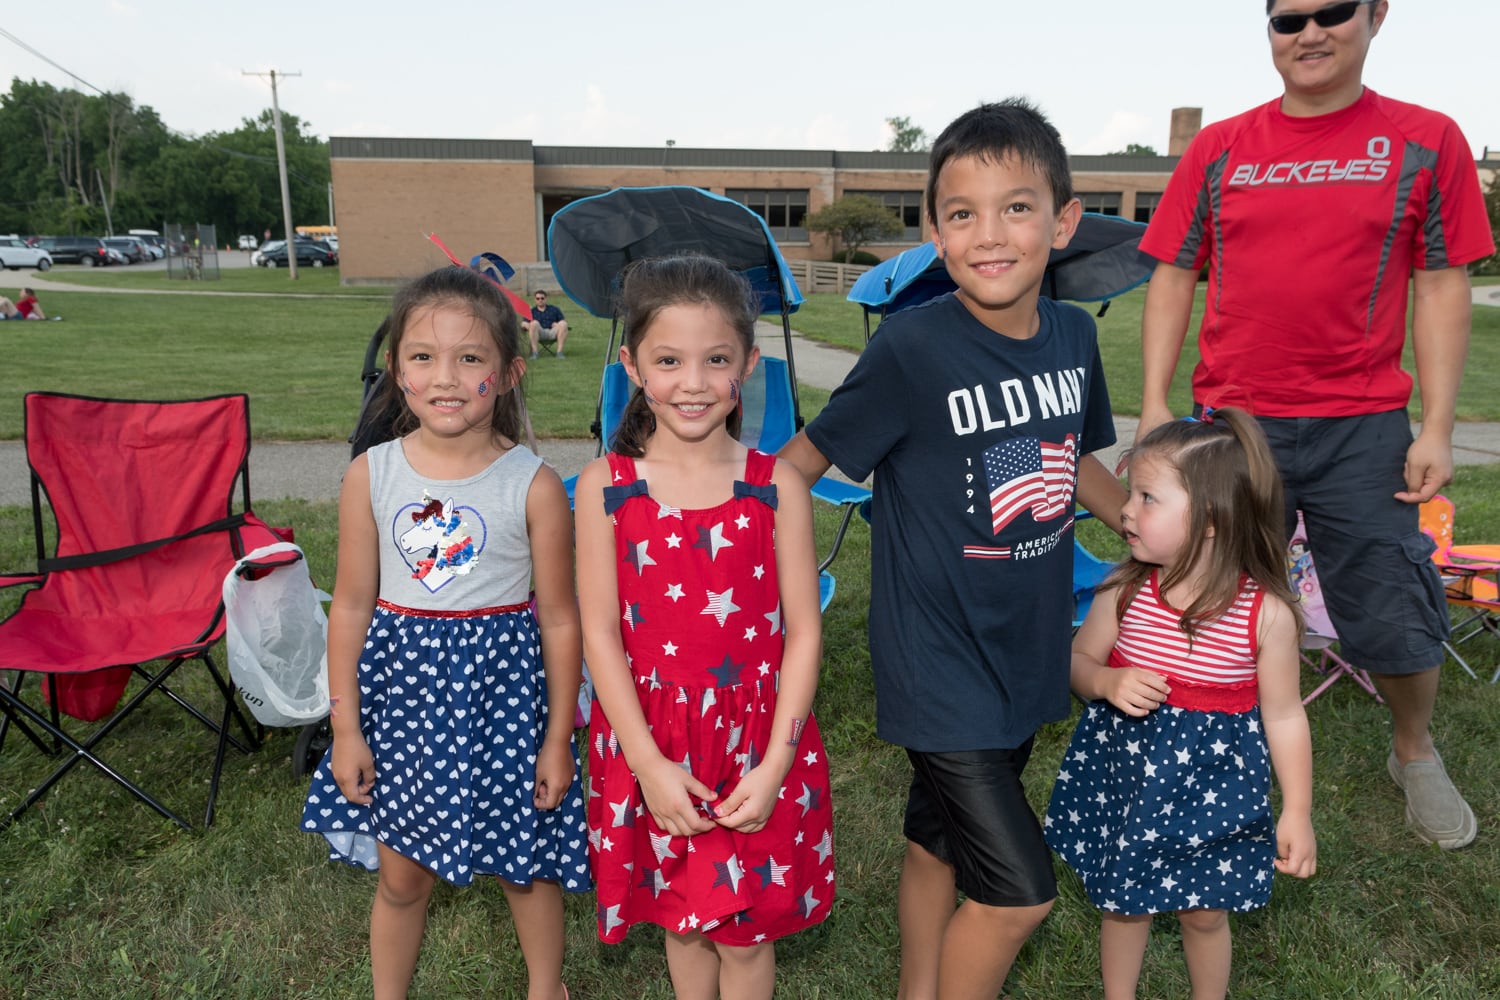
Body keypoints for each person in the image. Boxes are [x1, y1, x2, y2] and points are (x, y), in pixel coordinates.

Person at [779, 99, 1128, 1000]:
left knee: (936, 834)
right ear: (934, 231)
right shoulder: (915, 347)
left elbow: (1072, 456)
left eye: (1016, 207)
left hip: (1026, 643)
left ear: (1062, 221)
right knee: (1018, 894)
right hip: (938, 658)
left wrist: (1135, 521)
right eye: (962, 213)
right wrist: (760, 568)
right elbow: (798, 465)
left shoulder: (1074, 338)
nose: (989, 234)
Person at [1134, 0, 1495, 850]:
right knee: (1202, 592)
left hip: (1362, 424)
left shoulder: (1424, 139)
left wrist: (1436, 425)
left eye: (1332, 12)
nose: (1309, 33)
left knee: (1394, 608)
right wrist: (1155, 404)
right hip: (1235, 424)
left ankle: (1414, 751)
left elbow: (1442, 283)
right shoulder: (1220, 147)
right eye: (1286, 18)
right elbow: (1174, 272)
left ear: (1376, 16)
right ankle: (1199, 737)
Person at [300, 265, 590, 1000]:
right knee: (402, 876)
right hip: (403, 711)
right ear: (397, 372)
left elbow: (558, 618)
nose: (446, 377)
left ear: (509, 371)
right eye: (423, 357)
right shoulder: (372, 475)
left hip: (504, 710)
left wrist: (557, 738)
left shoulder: (534, 484)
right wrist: (344, 729)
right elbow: (351, 607)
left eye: (470, 358)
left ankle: (545, 988)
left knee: (524, 866)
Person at [574, 254, 833, 1000]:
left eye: (715, 359)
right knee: (682, 923)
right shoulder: (605, 487)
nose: (692, 382)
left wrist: (777, 762)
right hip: (651, 742)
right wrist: (649, 766)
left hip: (756, 745)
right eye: (668, 360)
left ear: (747, 365)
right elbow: (600, 636)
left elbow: (804, 634)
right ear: (632, 367)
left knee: (744, 941)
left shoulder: (774, 484)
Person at [1045, 410, 1316, 1000]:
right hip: (1129, 778)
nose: (1124, 510)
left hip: (1215, 790)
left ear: (1213, 519)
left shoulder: (1263, 614)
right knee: (1125, 904)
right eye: (1132, 494)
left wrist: (1296, 809)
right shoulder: (1126, 590)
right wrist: (1106, 684)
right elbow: (1076, 661)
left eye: (1147, 498)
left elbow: (1286, 715)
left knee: (1204, 913)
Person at [527, 290, 569, 358]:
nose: (540, 300)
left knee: (564, 324)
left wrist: (557, 324)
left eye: (542, 298)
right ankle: (535, 353)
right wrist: (529, 326)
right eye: (538, 298)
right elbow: (524, 323)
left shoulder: (554, 309)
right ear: (535, 300)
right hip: (539, 333)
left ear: (546, 299)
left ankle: (559, 353)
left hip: (553, 332)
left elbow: (563, 321)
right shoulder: (532, 311)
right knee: (534, 323)